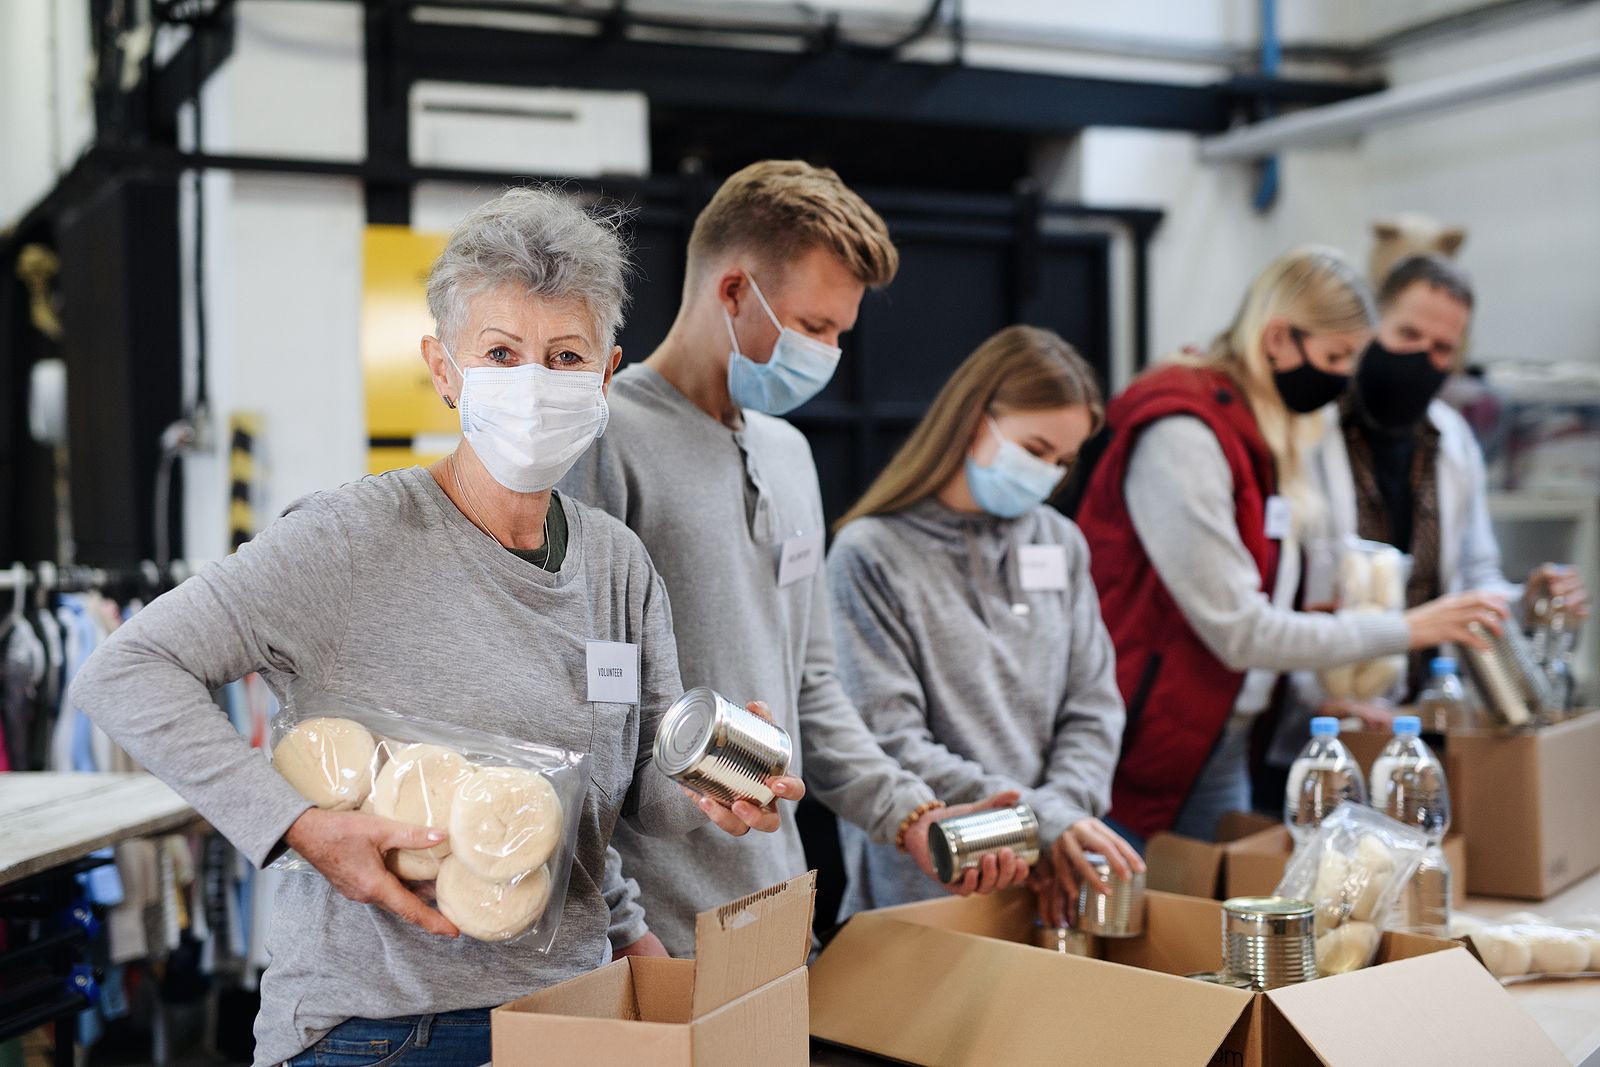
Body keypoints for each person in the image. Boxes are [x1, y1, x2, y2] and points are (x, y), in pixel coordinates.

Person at [68, 187, 800, 1067]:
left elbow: (631, 803)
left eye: (564, 356)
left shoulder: (618, 564)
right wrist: (298, 824)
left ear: (605, 375)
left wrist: (709, 787)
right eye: (501, 351)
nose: (535, 382)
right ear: (443, 369)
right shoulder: (349, 539)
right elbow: (126, 670)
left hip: (566, 1014)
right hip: (380, 1031)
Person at [560, 160, 1027, 957]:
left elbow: (810, 685)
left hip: (774, 909)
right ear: (734, 291)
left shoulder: (790, 455)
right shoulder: (606, 441)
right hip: (652, 932)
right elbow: (576, 712)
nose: (830, 353)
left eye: (840, 333)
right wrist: (621, 926)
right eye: (814, 327)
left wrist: (910, 814)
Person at [1071, 246, 1510, 847]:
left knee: (1216, 915)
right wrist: (1409, 628)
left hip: (1221, 731)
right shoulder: (1186, 435)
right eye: (1334, 358)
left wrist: (1325, 657)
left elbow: (1266, 600)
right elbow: (1240, 630)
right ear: (1278, 339)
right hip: (1144, 735)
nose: (1339, 382)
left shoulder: (1258, 430)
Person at [826, 325, 1142, 927]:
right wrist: (1042, 821)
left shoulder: (1059, 541)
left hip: (1052, 874)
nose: (1047, 472)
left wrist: (1059, 823)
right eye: (1035, 448)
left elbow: (1093, 706)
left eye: (1062, 461)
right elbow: (887, 738)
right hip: (928, 889)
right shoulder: (871, 553)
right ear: (975, 419)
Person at [1276, 255, 1590, 745]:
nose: (1422, 358)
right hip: (1316, 719)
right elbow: (1278, 595)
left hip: (1420, 716)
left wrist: (1528, 600)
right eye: (1407, 336)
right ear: (1371, 324)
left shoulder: (1453, 439)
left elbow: (1474, 578)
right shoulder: (1307, 432)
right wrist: (1310, 696)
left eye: (1443, 348)